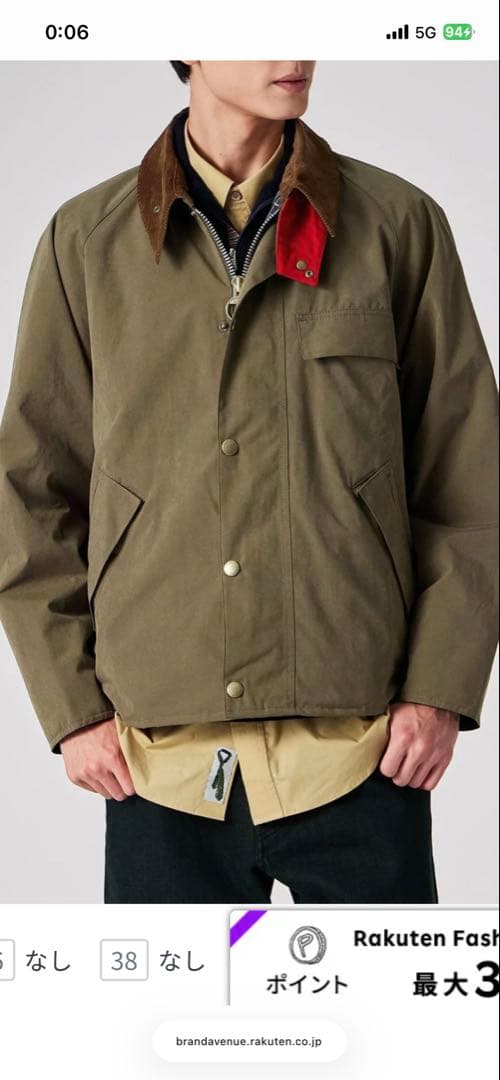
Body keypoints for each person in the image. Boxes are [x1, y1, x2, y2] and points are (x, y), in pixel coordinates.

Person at [0, 61, 497, 904]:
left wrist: (439, 691)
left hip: (365, 749)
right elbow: (32, 489)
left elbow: (468, 475)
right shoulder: (85, 241)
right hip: (159, 763)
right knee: (169, 999)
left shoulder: (397, 224)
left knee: (389, 998)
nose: (295, 46)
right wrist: (72, 708)